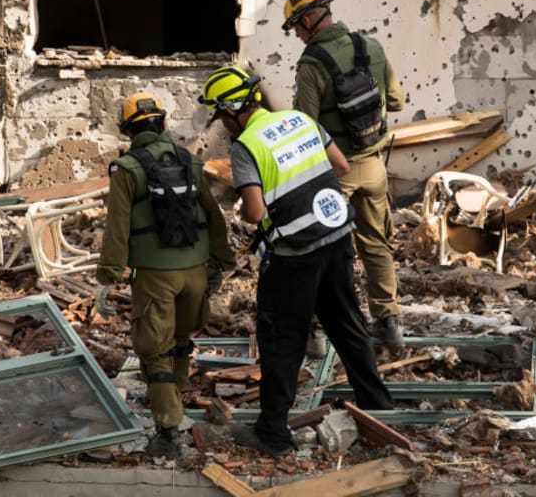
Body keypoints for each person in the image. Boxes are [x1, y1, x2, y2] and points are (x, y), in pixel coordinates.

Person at [199, 66, 393, 455]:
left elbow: (254, 213)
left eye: (221, 113)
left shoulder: (246, 147)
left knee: (282, 341)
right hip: (336, 238)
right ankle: (380, 410)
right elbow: (340, 166)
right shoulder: (300, 119)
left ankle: (273, 432)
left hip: (294, 257)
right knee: (348, 326)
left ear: (233, 108)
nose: (222, 122)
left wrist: (246, 212)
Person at [96, 92, 236, 458]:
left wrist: (108, 276)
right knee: (179, 339)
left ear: (128, 130)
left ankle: (168, 431)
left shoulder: (126, 169)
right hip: (194, 272)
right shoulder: (189, 161)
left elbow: (117, 227)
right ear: (162, 124)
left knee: (154, 350)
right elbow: (212, 213)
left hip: (155, 276)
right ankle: (174, 394)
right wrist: (222, 260)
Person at [281, 0, 407, 356]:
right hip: (374, 168)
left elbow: (305, 126)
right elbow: (397, 101)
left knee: (321, 250)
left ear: (308, 19)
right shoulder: (372, 47)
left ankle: (318, 333)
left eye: (297, 28)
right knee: (377, 246)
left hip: (334, 174)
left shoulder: (311, 64)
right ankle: (390, 323)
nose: (298, 36)